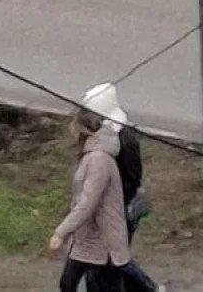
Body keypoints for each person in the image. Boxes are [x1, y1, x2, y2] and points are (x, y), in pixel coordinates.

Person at [83, 83, 160, 292]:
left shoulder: (123, 141)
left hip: (121, 209)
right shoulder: (108, 137)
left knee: (107, 263)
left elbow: (129, 180)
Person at [49, 107, 130, 292]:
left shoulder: (98, 160)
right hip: (88, 237)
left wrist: (61, 232)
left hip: (100, 237)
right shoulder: (92, 156)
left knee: (86, 285)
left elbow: (87, 203)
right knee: (70, 283)